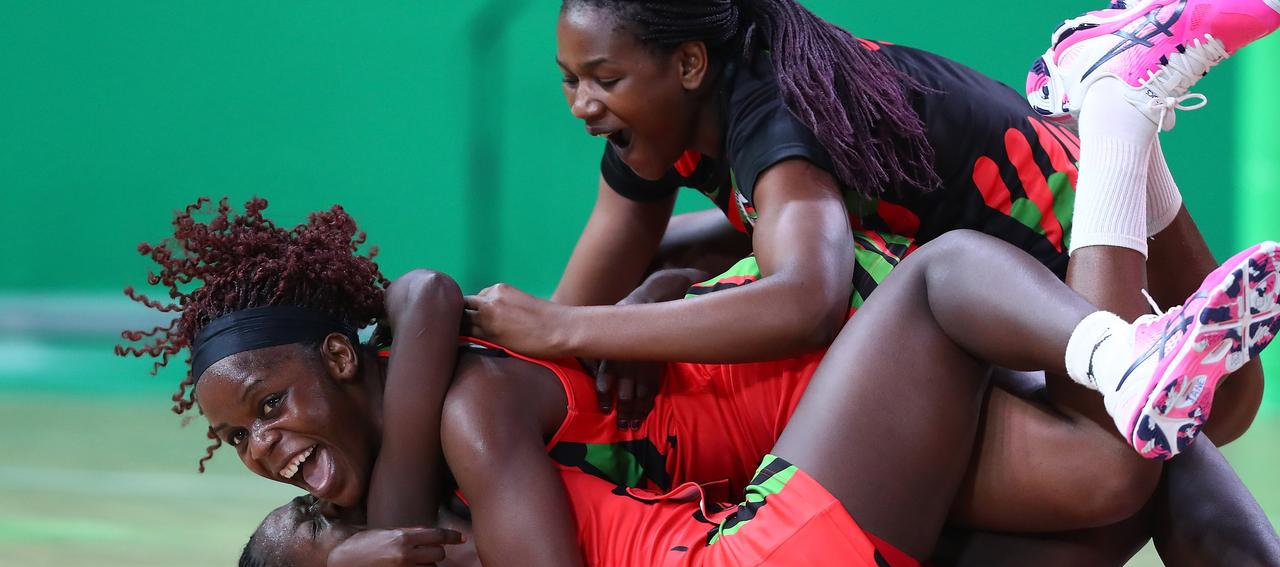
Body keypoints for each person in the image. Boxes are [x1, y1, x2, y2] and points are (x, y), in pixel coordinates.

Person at [174, 228, 1280, 567]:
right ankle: (1119, 335)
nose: (279, 466)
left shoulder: (432, 549)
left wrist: (647, 296)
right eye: (312, 530)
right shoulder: (427, 529)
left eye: (262, 421)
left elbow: (423, 333)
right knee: (948, 274)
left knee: (1131, 466)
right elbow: (417, 298)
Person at [461, 0, 1272, 446]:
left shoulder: (773, 116)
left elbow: (804, 295)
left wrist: (573, 326)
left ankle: (1117, 108)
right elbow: (581, 310)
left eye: (603, 78)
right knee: (1230, 403)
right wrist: (613, 314)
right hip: (1055, 185)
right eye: (569, 80)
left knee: (1176, 419)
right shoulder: (662, 128)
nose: (581, 105)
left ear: (689, 65)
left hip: (1060, 221)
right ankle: (1106, 105)